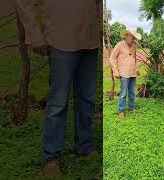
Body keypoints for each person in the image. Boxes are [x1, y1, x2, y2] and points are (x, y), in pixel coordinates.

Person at [15, 0, 99, 177]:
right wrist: (33, 34)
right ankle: (51, 157)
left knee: (87, 98)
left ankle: (85, 146)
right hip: (61, 39)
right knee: (58, 103)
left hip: (90, 39)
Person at [109, 29, 142, 118]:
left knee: (132, 92)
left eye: (134, 38)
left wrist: (137, 69)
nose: (133, 39)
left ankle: (131, 107)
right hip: (124, 73)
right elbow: (112, 58)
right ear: (126, 36)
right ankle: (121, 111)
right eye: (132, 37)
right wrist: (115, 71)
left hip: (132, 73)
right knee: (123, 93)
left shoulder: (134, 46)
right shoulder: (119, 45)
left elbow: (134, 59)